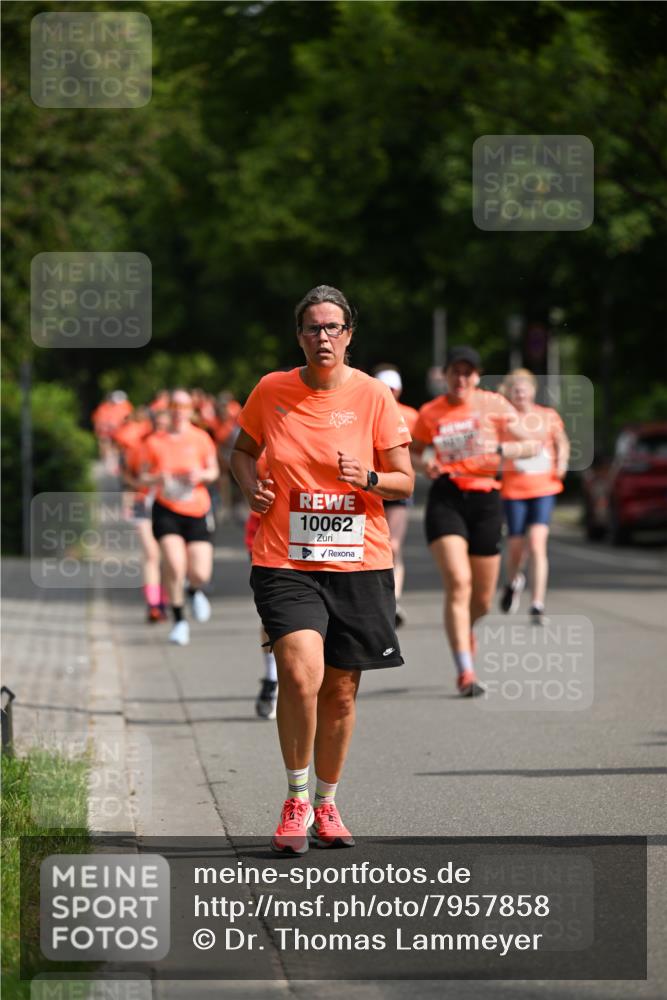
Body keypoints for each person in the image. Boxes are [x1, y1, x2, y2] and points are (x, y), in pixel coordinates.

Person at [231, 284, 414, 854]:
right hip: (286, 557)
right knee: (301, 672)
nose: (323, 337)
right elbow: (240, 451)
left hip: (360, 560)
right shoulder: (272, 390)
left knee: (340, 691)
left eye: (333, 327)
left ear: (350, 335)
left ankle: (327, 804)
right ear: (300, 336)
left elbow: (406, 480)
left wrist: (369, 478)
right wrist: (250, 488)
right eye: (313, 328)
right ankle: (295, 798)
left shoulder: (374, 398)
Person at [410, 346, 541, 697]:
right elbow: (413, 451)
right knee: (458, 581)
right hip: (447, 497)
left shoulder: (494, 405)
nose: (461, 378)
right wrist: (426, 465)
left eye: (468, 372)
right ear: (446, 375)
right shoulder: (431, 411)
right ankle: (465, 671)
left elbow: (531, 445)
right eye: (455, 371)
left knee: (482, 599)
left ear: (478, 376)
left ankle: (466, 629)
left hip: (486, 500)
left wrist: (501, 450)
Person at [141, 389, 220, 646]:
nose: (178, 410)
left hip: (197, 509)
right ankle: (179, 621)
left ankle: (194, 590)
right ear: (168, 409)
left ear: (191, 411)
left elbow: (214, 471)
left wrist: (201, 476)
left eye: (183, 406)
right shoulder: (154, 441)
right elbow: (141, 476)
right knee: (174, 564)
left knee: (200, 572)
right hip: (166, 508)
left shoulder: (201, 438)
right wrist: (157, 478)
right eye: (173, 405)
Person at [498, 368, 570, 624]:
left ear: (532, 390)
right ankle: (513, 581)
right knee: (516, 547)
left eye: (523, 389)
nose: (519, 393)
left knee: (538, 544)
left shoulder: (548, 416)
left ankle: (537, 604)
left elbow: (562, 441)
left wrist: (561, 464)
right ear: (509, 392)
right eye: (514, 390)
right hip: (514, 490)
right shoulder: (505, 419)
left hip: (544, 488)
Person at [373, 365, 419, 627]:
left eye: (393, 389)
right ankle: (375, 597)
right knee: (373, 545)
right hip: (370, 486)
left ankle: (393, 600)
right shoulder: (366, 411)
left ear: (399, 390)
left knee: (394, 546)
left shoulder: (411, 416)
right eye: (384, 388)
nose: (389, 393)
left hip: (397, 487)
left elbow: (423, 448)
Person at [122, 409, 171, 622]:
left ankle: (165, 600)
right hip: (143, 503)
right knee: (151, 554)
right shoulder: (142, 446)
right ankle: (153, 604)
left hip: (172, 506)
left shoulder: (180, 445)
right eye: (157, 425)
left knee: (169, 557)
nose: (160, 430)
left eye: (164, 425)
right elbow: (129, 474)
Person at [244, 454, 279, 720]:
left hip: (326, 541)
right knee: (273, 616)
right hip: (270, 538)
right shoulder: (265, 451)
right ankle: (272, 679)